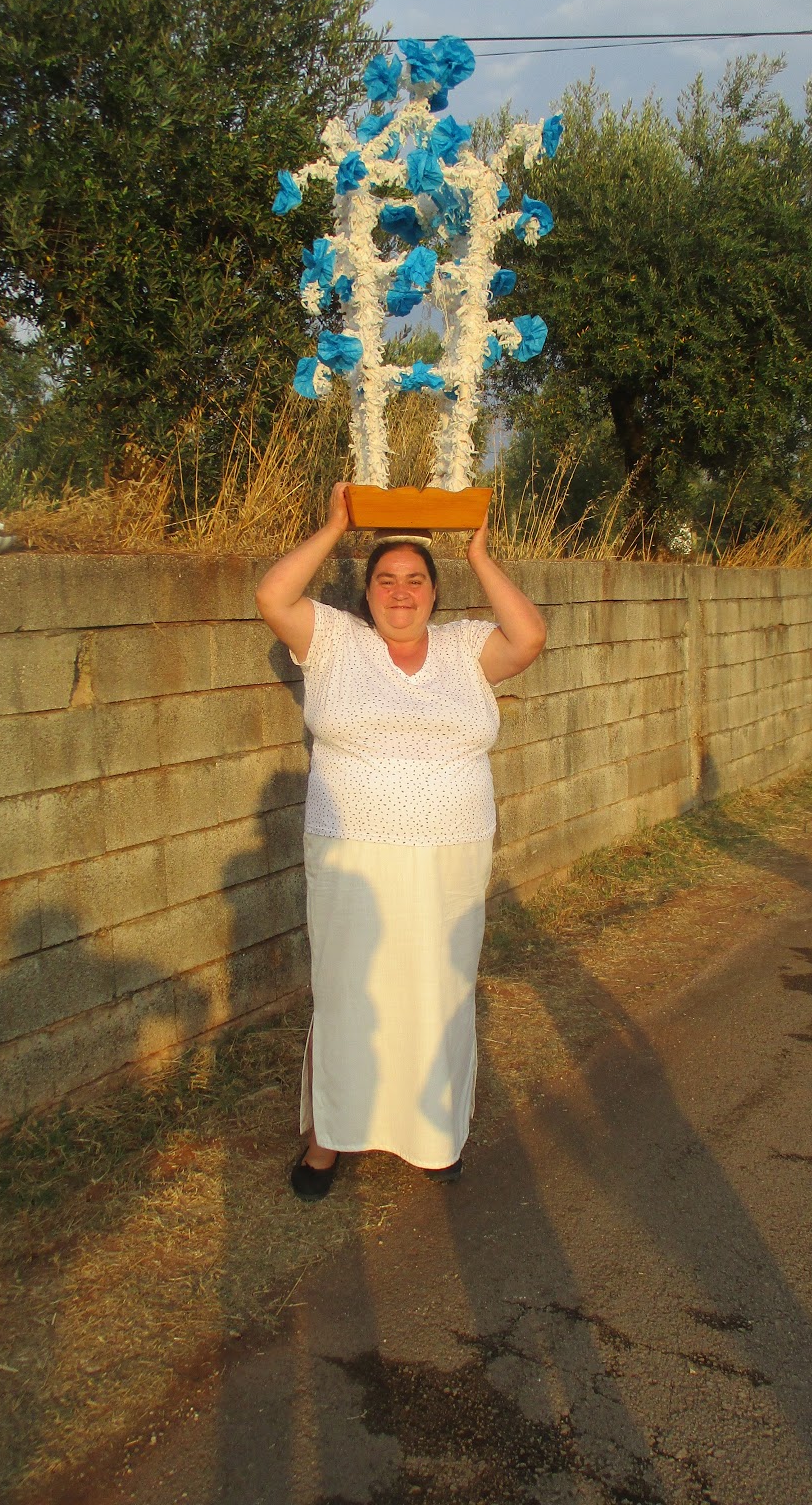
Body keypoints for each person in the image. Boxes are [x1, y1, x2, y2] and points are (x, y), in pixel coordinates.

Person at [255, 481, 546, 1199]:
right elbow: (273, 596)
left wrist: (479, 554)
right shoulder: (334, 641)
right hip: (351, 854)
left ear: (435, 593)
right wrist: (336, 525)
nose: (401, 591)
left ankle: (433, 1134)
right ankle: (328, 1141)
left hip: (452, 850)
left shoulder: (466, 646)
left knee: (438, 990)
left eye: (416, 579)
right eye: (386, 579)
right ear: (368, 593)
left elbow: (530, 638)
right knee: (349, 993)